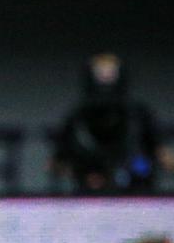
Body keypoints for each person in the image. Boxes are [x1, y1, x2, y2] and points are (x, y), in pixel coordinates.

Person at [51, 52, 172, 194]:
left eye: (110, 72)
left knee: (141, 165)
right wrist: (80, 172)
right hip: (90, 180)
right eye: (101, 72)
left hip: (135, 179)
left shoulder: (137, 114)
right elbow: (58, 163)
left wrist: (147, 165)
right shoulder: (78, 116)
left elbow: (162, 155)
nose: (105, 77)